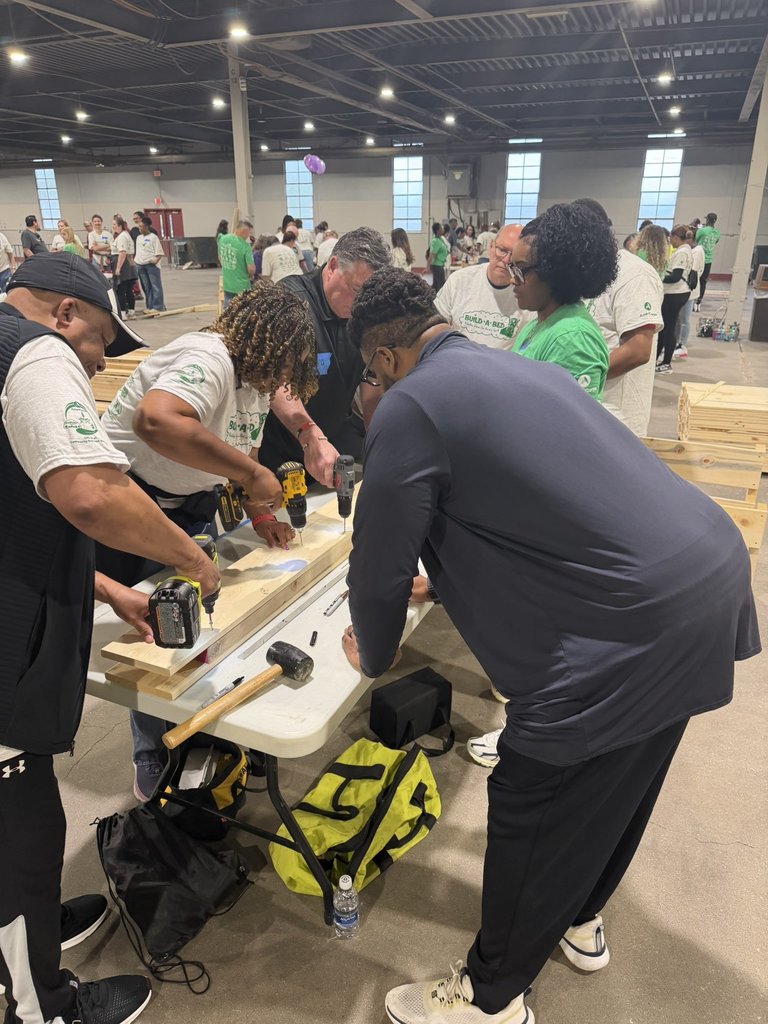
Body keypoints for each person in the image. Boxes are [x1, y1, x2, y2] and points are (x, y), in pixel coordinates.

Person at [341, 266, 759, 1024]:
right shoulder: (509, 363)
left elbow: (374, 575)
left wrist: (371, 656)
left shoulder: (410, 406)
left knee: (534, 793)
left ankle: (490, 994)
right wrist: (444, 582)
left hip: (633, 624)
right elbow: (550, 499)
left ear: (384, 359)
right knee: (623, 774)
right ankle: (578, 915)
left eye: (370, 378)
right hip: (704, 576)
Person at [0, 252, 221, 1024]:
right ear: (62, 315)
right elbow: (90, 492)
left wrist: (108, 587)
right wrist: (193, 560)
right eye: (96, 339)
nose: (96, 359)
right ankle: (42, 1005)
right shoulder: (32, 353)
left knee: (20, 822)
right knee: (22, 829)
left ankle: (28, 935)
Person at [98, 280, 317, 797]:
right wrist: (249, 473)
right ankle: (153, 750)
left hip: (189, 504)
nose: (287, 377)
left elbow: (244, 461)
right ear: (267, 341)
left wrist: (261, 516)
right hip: (133, 500)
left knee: (202, 627)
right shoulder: (209, 356)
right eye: (289, 363)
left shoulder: (255, 385)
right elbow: (154, 420)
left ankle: (211, 733)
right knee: (154, 642)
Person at [258, 226, 391, 483]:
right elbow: (276, 383)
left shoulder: (366, 312)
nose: (359, 303)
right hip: (283, 450)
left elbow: (370, 382)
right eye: (355, 289)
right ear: (332, 266)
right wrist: (310, 435)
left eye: (369, 295)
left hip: (332, 444)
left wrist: (378, 438)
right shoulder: (291, 303)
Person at [507, 203, 615, 401]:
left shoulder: (573, 338)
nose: (512, 279)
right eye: (512, 268)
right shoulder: (538, 324)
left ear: (553, 270)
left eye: (521, 269)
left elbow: (571, 426)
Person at [576, 199, 664, 436]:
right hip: (582, 405)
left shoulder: (634, 274)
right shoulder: (581, 270)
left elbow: (638, 350)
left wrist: (577, 378)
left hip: (618, 413)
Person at [434, 222, 530, 349]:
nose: (506, 260)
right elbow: (434, 328)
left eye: (514, 255)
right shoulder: (459, 281)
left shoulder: (527, 298)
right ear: (491, 247)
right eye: (501, 250)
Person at [656, 224, 692, 375]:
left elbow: (676, 277)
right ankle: (659, 359)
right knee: (665, 329)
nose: (670, 241)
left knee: (668, 329)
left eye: (672, 238)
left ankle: (666, 363)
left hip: (675, 294)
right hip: (676, 293)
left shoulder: (682, 252)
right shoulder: (684, 251)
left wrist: (658, 277)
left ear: (677, 238)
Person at [676, 230, 705, 357]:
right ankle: (676, 341)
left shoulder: (697, 251)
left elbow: (694, 271)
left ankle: (682, 343)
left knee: (684, 319)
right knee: (678, 318)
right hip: (681, 288)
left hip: (690, 289)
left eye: (686, 237)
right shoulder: (686, 250)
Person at [217, 220, 256, 307]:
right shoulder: (246, 247)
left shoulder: (222, 239)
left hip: (227, 284)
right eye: (248, 233)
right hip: (242, 287)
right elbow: (251, 269)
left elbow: (220, 258)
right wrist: (251, 275)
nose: (248, 236)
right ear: (244, 232)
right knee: (242, 313)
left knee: (228, 313)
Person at [134, 217, 166, 312]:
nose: (139, 228)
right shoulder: (139, 238)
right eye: (138, 226)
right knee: (146, 287)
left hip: (151, 265)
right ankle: (150, 306)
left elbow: (159, 252)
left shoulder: (153, 237)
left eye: (141, 226)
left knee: (155, 286)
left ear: (147, 226)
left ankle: (158, 306)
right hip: (140, 265)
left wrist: (155, 260)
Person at [110, 215, 138, 319]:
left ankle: (123, 313)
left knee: (121, 289)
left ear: (120, 225)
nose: (113, 226)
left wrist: (118, 268)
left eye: (114, 224)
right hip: (129, 264)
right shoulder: (126, 235)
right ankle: (131, 311)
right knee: (129, 290)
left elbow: (122, 252)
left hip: (123, 265)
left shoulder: (122, 237)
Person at [694, 212, 720, 311]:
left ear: (707, 220)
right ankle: (699, 302)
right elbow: (716, 241)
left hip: (699, 258)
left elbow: (696, 240)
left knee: (694, 279)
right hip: (709, 260)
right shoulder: (717, 233)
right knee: (703, 281)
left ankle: (692, 300)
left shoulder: (702, 231)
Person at [427, 223, 450, 292]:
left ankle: (434, 298)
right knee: (440, 285)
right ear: (437, 231)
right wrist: (427, 267)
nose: (443, 229)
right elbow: (432, 255)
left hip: (440, 264)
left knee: (436, 285)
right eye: (441, 228)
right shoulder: (435, 241)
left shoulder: (440, 239)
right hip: (436, 265)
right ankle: (439, 300)